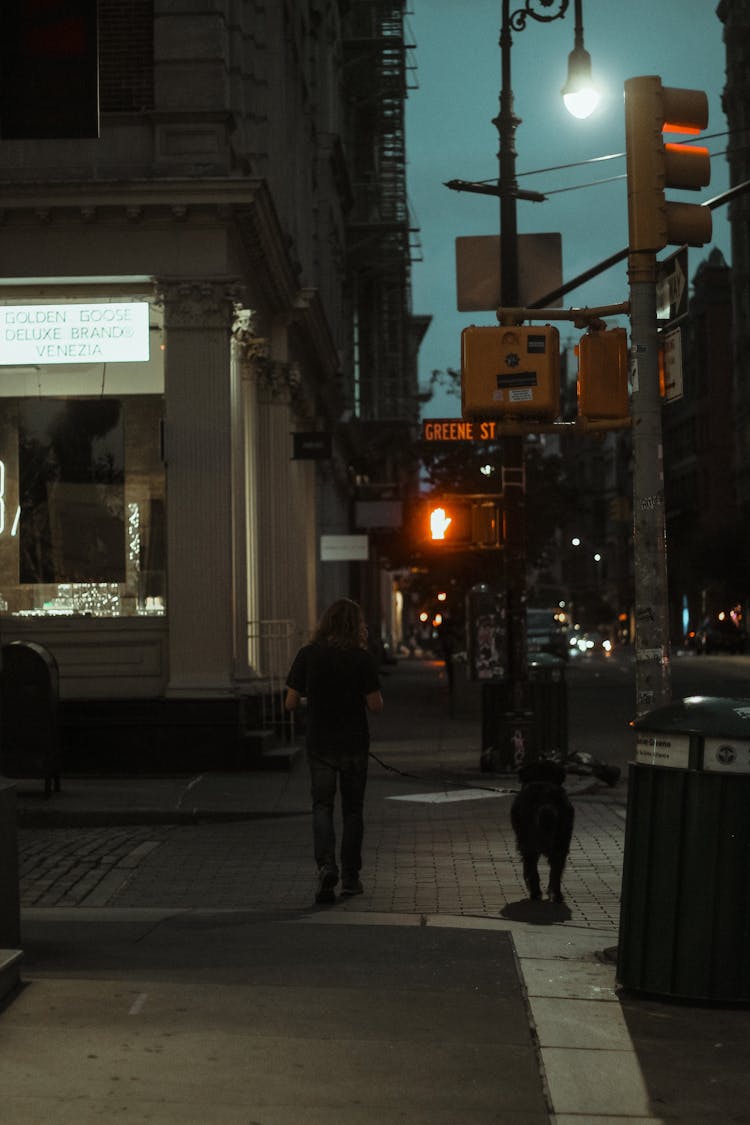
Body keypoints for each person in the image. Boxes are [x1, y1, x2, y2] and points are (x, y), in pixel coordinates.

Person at [285, 598, 384, 904]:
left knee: (322, 807)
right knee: (353, 811)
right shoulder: (361, 658)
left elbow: (289, 703)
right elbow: (375, 705)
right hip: (353, 744)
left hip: (320, 744)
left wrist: (313, 700)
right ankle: (351, 878)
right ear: (357, 625)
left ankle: (327, 866)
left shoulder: (308, 655)